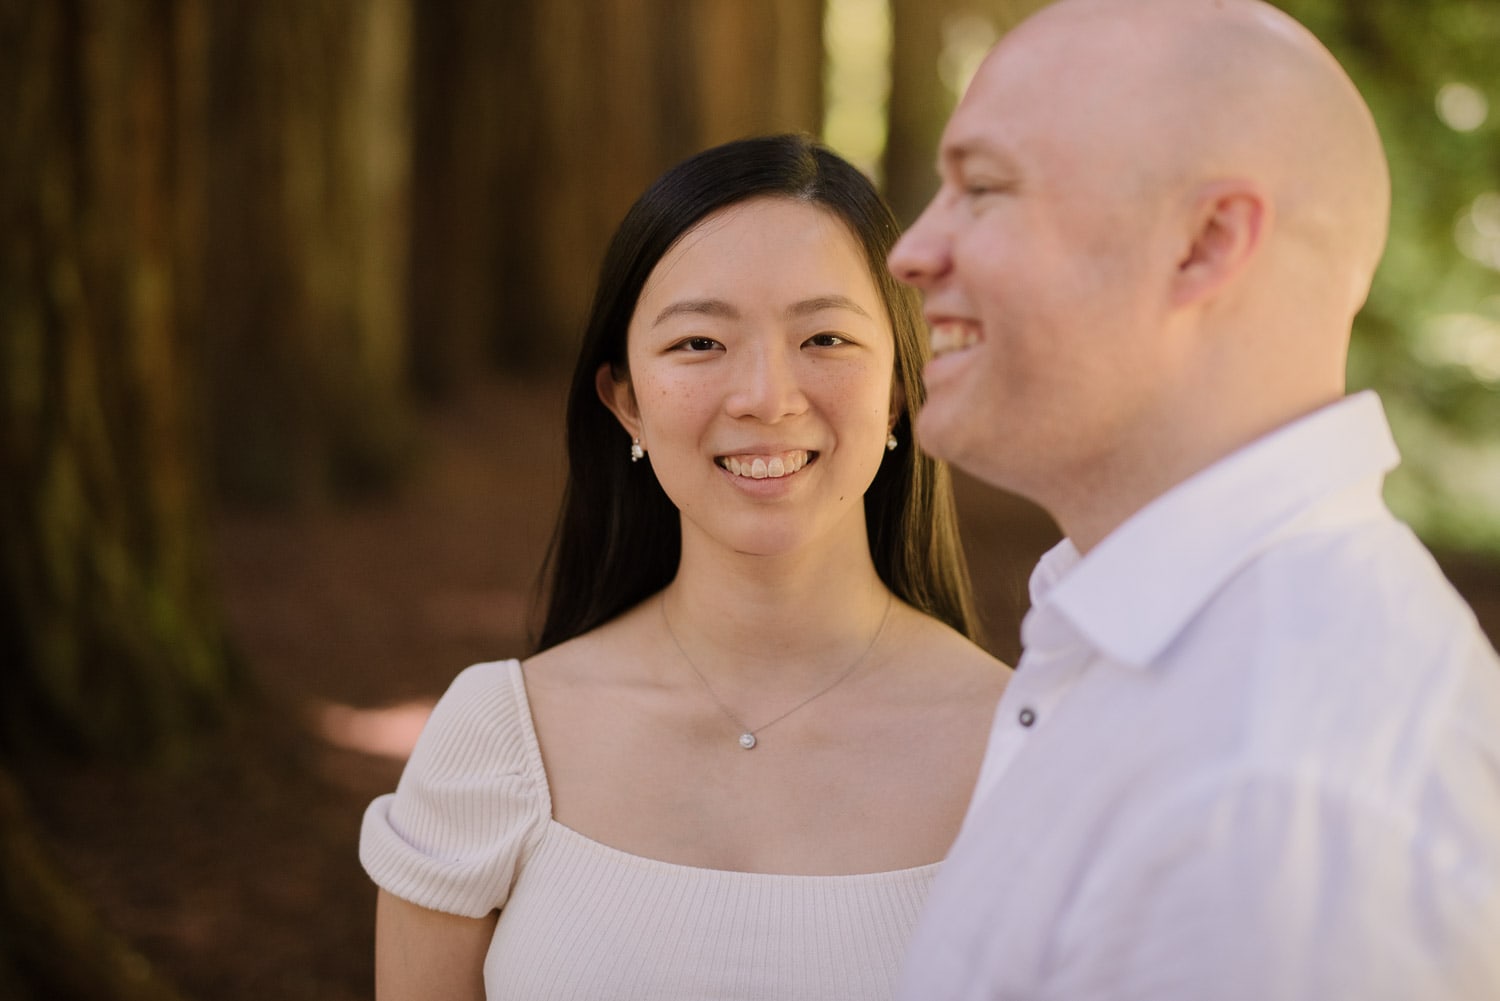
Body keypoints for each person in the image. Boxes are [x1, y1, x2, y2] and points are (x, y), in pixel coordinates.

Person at [886, 0, 1500, 998]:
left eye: (985, 189)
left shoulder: (1279, 787)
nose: (910, 251)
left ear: (1206, 244)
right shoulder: (1164, 660)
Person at [359, 133, 1009, 1000]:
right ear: (625, 399)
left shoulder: (1027, 749)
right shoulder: (502, 739)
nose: (766, 397)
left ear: (897, 386)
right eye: (700, 343)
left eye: (824, 336)